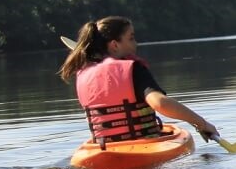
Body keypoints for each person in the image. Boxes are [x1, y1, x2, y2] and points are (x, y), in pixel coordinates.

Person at [58, 16, 219, 145]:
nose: (136, 43)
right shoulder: (133, 69)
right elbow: (160, 103)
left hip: (103, 149)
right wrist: (202, 124)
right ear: (115, 45)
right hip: (143, 146)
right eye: (131, 38)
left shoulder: (84, 73)